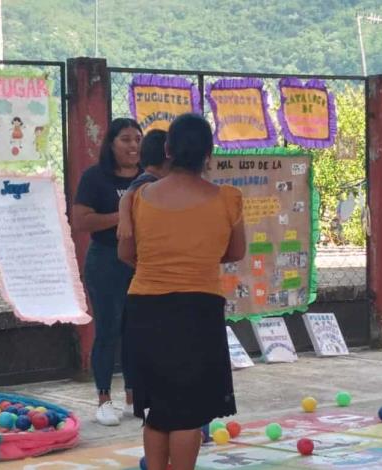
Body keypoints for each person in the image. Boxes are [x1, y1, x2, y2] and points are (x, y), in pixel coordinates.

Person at [118, 113, 245, 470]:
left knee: (158, 407)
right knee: (188, 412)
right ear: (209, 153)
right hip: (197, 309)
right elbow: (235, 252)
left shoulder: (139, 199)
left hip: (145, 308)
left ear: (168, 150)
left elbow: (126, 254)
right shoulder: (227, 199)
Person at [72, 117, 142, 426]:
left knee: (136, 331)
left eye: (137, 139)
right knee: (108, 330)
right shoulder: (95, 178)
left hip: (140, 262)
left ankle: (132, 397)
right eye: (126, 139)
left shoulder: (148, 178)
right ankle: (103, 398)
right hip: (105, 260)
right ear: (111, 144)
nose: (133, 146)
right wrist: (122, 215)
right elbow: (81, 221)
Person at [116, 129, 170, 241]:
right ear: (168, 159)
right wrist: (124, 221)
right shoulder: (146, 178)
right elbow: (125, 198)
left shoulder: (155, 179)